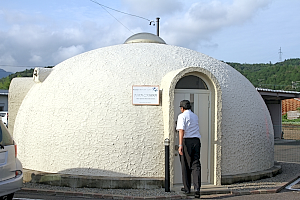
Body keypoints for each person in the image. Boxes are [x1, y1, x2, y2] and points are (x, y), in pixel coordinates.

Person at [176, 100, 201, 198]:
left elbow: (181, 130)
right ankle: (197, 188)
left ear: (182, 108)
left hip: (187, 142)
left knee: (185, 164)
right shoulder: (195, 116)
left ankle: (187, 188)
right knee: (196, 164)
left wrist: (180, 145)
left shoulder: (181, 116)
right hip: (196, 141)